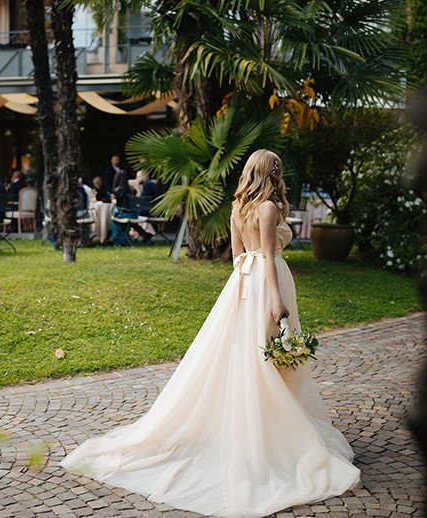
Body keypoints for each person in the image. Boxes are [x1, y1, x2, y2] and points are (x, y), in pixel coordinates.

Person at [61, 149, 360, 517]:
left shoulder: (239, 208)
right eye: (278, 170)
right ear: (272, 172)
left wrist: (244, 291)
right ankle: (269, 433)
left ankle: (258, 424)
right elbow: (267, 255)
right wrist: (276, 301)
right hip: (268, 284)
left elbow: (239, 258)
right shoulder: (267, 209)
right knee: (268, 357)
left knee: (252, 355)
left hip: (243, 284)